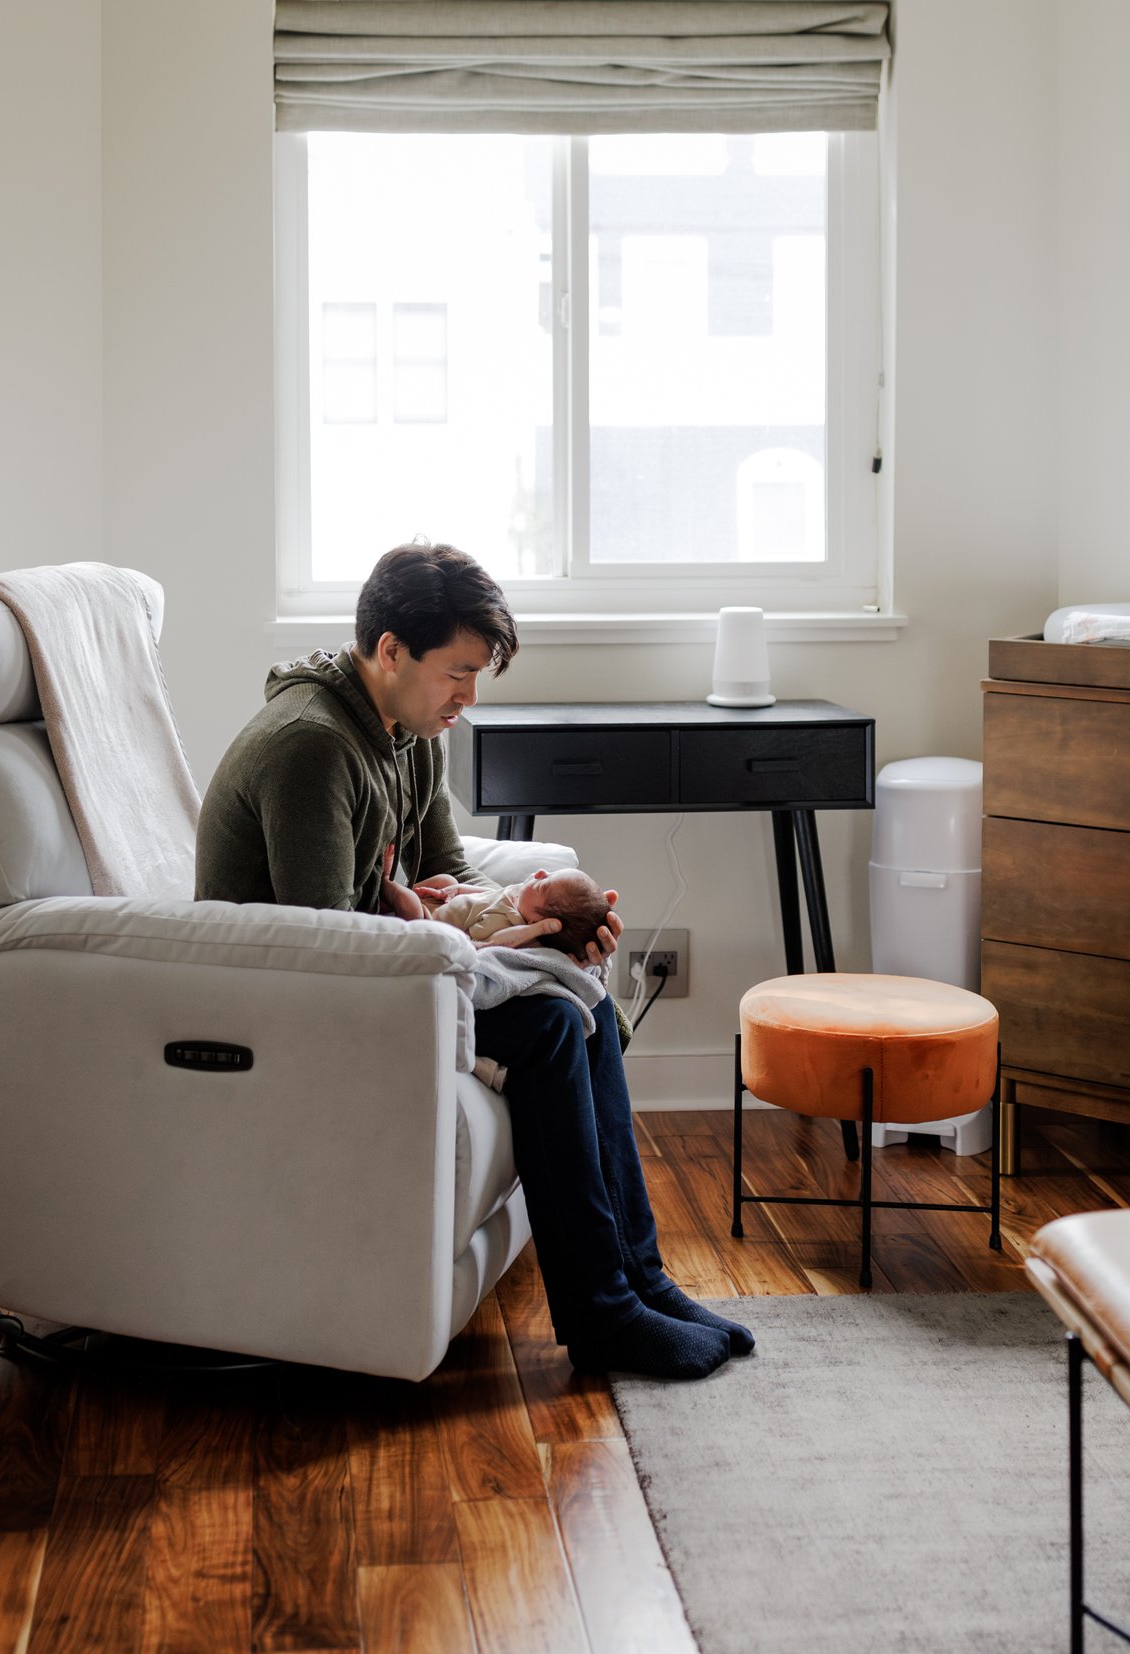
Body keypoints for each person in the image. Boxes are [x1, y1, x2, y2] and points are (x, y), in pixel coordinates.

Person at [197, 543, 750, 1379]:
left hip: (386, 965)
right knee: (549, 1028)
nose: (469, 696)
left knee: (581, 1000)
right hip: (290, 1005)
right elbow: (328, 946)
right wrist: (454, 921)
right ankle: (601, 1315)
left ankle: (641, 1280)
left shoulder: (408, 730)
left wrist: (549, 930)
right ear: (390, 651)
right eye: (456, 671)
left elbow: (445, 870)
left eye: (478, 673)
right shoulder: (311, 748)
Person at [414, 866, 613, 956]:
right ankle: (388, 896)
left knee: (410, 904)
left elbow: (478, 941)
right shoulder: (517, 897)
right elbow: (491, 895)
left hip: (427, 922)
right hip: (445, 902)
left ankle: (389, 890)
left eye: (542, 884)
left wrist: (533, 933)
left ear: (536, 923)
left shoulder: (506, 923)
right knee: (448, 880)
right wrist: (458, 890)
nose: (541, 872)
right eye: (550, 873)